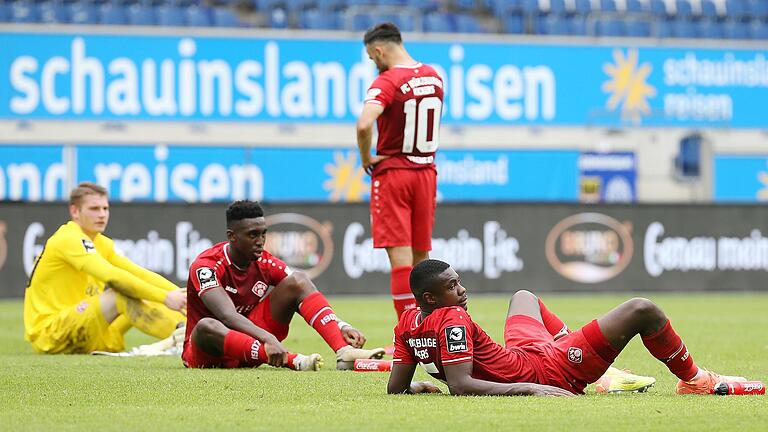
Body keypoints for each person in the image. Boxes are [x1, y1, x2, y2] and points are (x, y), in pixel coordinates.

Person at [387, 259, 751, 396]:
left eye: (458, 281)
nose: (462, 290)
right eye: (452, 286)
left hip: (527, 354)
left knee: (524, 296)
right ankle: (696, 380)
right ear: (430, 298)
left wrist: (419, 384)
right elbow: (462, 386)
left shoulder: (407, 322)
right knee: (644, 309)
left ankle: (599, 367)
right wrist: (531, 390)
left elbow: (396, 388)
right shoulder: (453, 317)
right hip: (550, 371)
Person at [183, 200, 385, 370]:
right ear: (232, 236)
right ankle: (291, 359)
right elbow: (227, 316)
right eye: (253, 235)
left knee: (298, 280)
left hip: (253, 344)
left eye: (263, 234)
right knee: (205, 326)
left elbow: (303, 289)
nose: (260, 241)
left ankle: (345, 353)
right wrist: (268, 338)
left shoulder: (264, 262)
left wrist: (341, 326)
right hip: (211, 351)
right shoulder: (206, 266)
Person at [24, 182, 187, 354]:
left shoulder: (102, 243)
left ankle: (197, 330)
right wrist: (165, 297)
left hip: (86, 327)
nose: (101, 215)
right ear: (74, 212)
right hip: (52, 332)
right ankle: (190, 339)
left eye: (105, 208)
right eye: (94, 209)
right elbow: (112, 277)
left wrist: (184, 297)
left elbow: (138, 274)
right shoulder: (68, 238)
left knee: (144, 291)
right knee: (120, 294)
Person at [356, 22, 444, 321]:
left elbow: (364, 124)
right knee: (423, 258)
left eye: (371, 57)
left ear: (379, 50)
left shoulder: (387, 81)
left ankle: (409, 331)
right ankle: (432, 326)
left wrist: (366, 157)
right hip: (426, 172)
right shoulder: (434, 77)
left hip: (394, 172)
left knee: (401, 260)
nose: (373, 62)